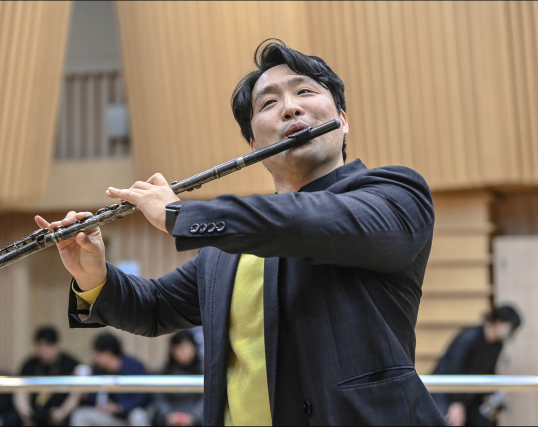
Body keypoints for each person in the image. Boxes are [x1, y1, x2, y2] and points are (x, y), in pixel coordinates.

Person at [36, 39, 446, 425]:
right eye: (270, 103)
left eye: (305, 92)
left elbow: (311, 221)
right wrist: (93, 275)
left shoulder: (395, 193)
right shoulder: (227, 248)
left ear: (341, 120)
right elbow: (156, 306)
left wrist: (182, 214)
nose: (290, 109)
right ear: (253, 144)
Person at [432, 306, 522, 426]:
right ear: (498, 321)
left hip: (468, 396)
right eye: (509, 327)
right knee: (449, 421)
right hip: (445, 392)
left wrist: (490, 395)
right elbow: (453, 369)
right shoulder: (469, 337)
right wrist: (456, 402)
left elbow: (489, 371)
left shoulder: (497, 345)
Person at [70, 333, 150, 426]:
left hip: (129, 415)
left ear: (108, 353)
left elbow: (144, 396)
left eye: (98, 355)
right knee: (80, 415)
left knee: (138, 415)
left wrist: (120, 407)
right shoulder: (97, 369)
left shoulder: (133, 366)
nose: (96, 359)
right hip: (108, 417)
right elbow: (92, 399)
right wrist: (85, 392)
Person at [14, 326, 81, 426]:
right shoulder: (29, 364)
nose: (44, 350)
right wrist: (26, 412)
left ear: (57, 345)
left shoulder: (70, 364)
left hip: (61, 414)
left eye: (48, 346)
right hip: (34, 412)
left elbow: (77, 393)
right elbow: (20, 392)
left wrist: (63, 412)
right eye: (41, 346)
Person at [153, 331, 204, 426]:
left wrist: (194, 416)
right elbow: (159, 398)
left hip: (196, 416)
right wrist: (168, 415)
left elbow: (207, 398)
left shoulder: (204, 370)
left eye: (186, 347)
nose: (183, 352)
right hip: (171, 415)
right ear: (172, 350)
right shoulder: (165, 371)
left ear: (194, 348)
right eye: (179, 348)